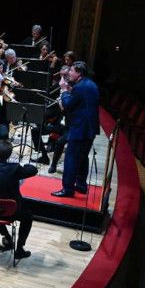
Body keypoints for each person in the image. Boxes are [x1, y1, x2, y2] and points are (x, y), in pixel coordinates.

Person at [0, 140, 38, 259]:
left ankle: (7, 238)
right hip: (13, 211)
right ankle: (20, 248)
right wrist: (23, 165)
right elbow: (33, 170)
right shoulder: (15, 168)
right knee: (28, 217)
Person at [52, 61, 100, 197]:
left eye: (71, 71)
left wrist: (64, 91)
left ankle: (67, 189)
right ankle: (81, 185)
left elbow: (68, 104)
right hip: (90, 129)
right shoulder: (90, 84)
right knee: (83, 157)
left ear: (78, 73)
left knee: (71, 158)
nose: (69, 74)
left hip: (80, 129)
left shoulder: (79, 88)